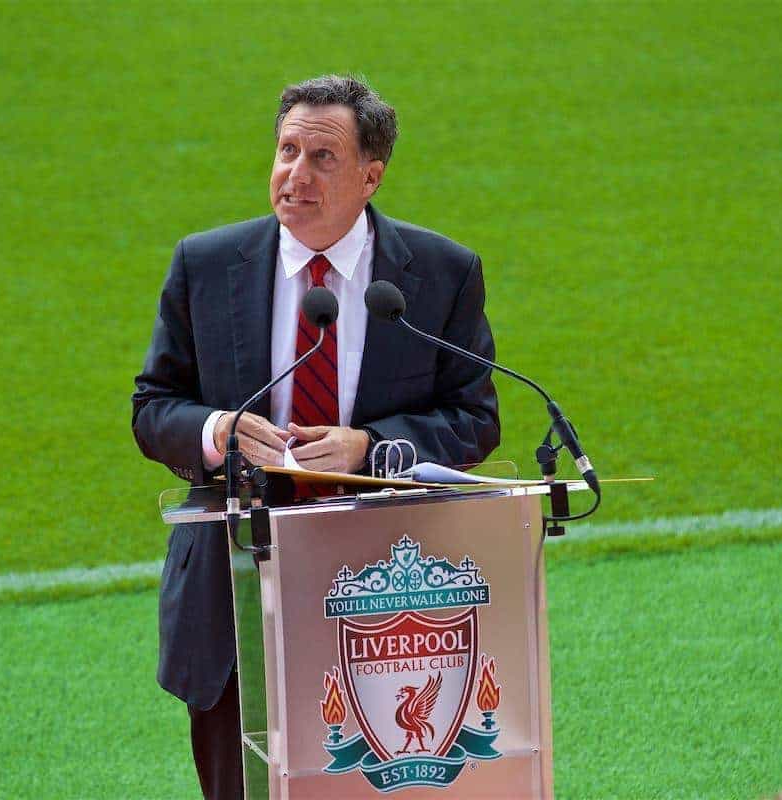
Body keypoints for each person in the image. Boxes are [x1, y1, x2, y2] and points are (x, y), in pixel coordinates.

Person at [131, 74, 500, 799]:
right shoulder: (205, 266)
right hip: (236, 585)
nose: (294, 175)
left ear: (371, 175)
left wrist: (372, 446)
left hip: (387, 596)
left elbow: (475, 417)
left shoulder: (439, 275)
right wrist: (218, 430)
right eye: (286, 151)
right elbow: (153, 408)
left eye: (321, 158)